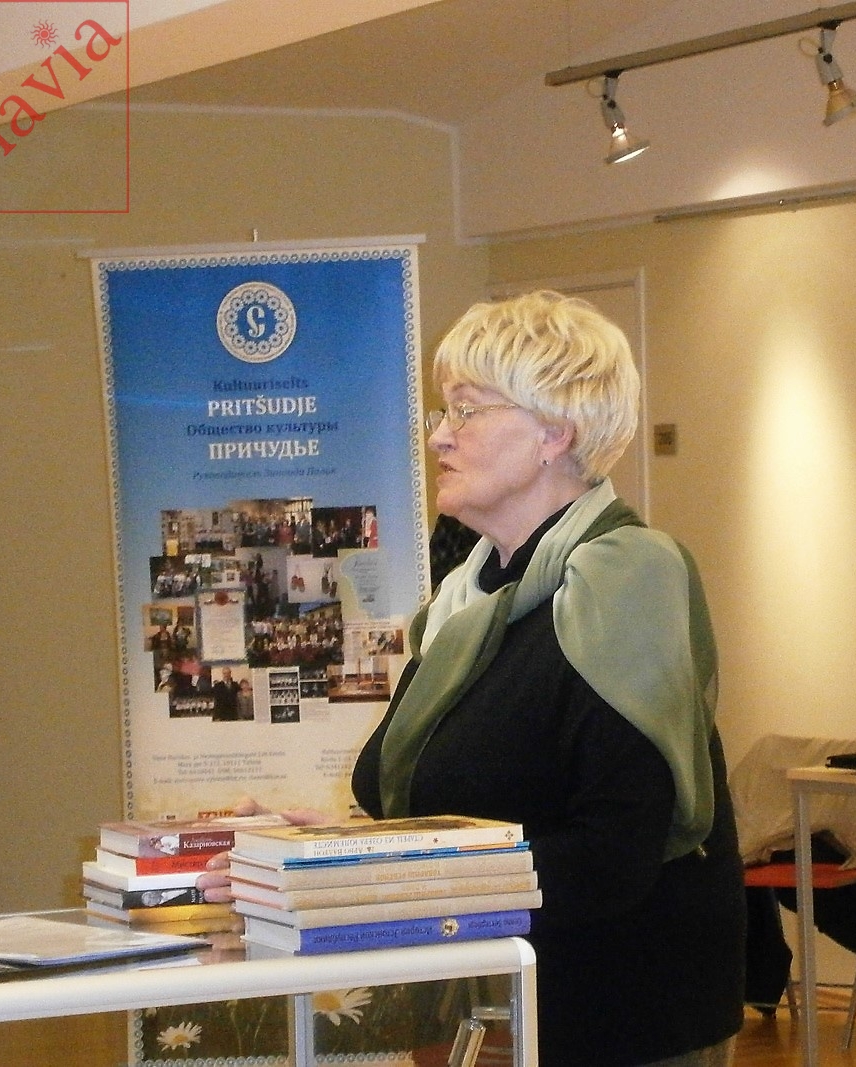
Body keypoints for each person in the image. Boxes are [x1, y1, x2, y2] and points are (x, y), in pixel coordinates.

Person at [202, 291, 745, 1067]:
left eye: (466, 410)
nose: (439, 436)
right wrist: (318, 852)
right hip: (489, 1010)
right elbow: (448, 816)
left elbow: (610, 857)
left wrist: (388, 873)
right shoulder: (470, 598)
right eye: (442, 411)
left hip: (615, 1017)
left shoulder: (627, 580)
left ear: (554, 432)